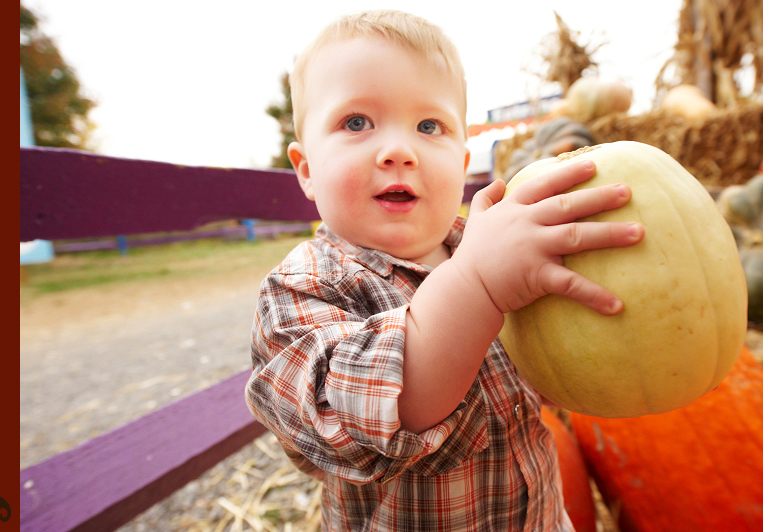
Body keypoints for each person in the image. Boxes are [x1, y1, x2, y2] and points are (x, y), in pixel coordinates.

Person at [245, 9, 643, 531]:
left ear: (461, 164)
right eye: (356, 122)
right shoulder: (303, 289)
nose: (398, 151)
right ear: (307, 170)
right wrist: (478, 285)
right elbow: (367, 417)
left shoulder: (482, 247)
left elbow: (541, 378)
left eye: (428, 126)